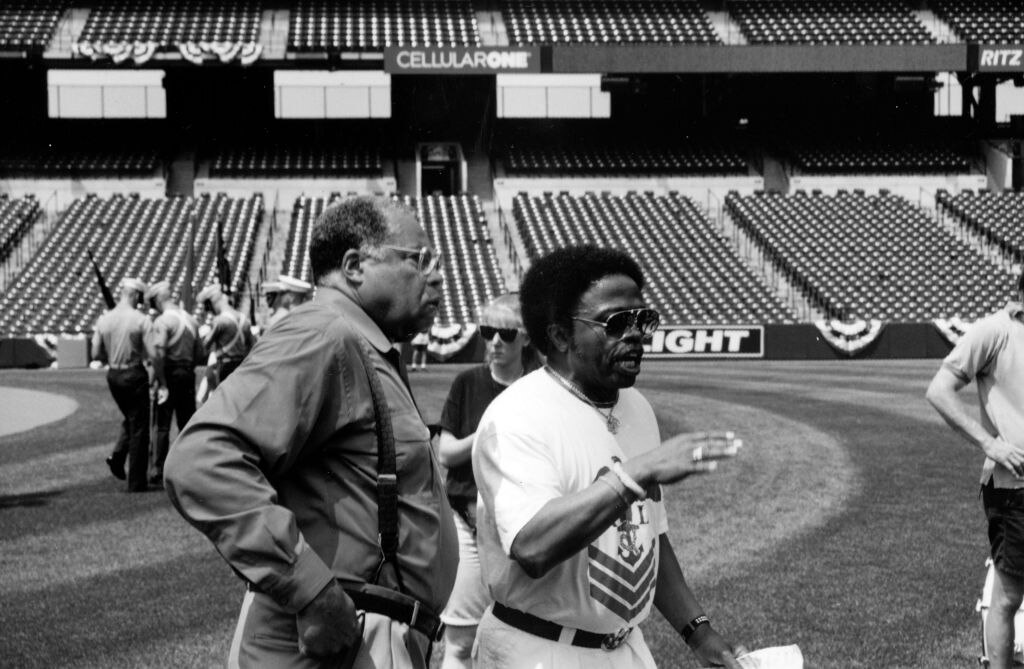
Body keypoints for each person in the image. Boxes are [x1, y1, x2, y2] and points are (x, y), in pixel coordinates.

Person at [164, 195, 457, 669]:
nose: (436, 274)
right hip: (332, 642)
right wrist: (312, 591)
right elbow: (200, 460)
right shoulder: (323, 334)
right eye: (419, 259)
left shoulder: (360, 343)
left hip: (371, 635)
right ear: (354, 266)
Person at [472, 245, 745, 669]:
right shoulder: (515, 416)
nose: (635, 334)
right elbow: (532, 546)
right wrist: (636, 473)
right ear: (560, 335)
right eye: (617, 322)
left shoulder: (636, 408)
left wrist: (699, 631)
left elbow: (650, 535)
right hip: (537, 650)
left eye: (643, 320)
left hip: (625, 649)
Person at [436, 293, 541, 669]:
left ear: (525, 338)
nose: (494, 341)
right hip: (466, 522)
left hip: (520, 529)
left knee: (521, 640)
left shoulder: (540, 388)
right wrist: (488, 430)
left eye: (505, 333)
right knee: (461, 643)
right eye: (487, 331)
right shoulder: (468, 382)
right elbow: (445, 454)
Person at [926, 271, 1024, 669]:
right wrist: (989, 443)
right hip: (1014, 487)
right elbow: (939, 390)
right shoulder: (995, 331)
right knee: (1009, 596)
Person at [91, 277, 153, 493]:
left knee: (131, 418)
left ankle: (118, 457)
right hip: (133, 372)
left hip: (113, 375)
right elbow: (153, 353)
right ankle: (136, 482)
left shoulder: (104, 319)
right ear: (135, 295)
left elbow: (95, 352)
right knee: (139, 427)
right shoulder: (140, 319)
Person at [145, 280, 205, 485]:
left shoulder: (163, 322)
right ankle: (189, 465)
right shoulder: (191, 319)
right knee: (186, 423)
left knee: (162, 424)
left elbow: (159, 353)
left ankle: (158, 467)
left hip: (169, 373)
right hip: (187, 373)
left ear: (157, 300)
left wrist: (160, 380)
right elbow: (200, 353)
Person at [196, 283, 254, 388]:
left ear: (212, 303)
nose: (211, 312)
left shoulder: (219, 321)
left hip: (225, 367)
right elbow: (251, 347)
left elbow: (204, 347)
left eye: (209, 308)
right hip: (242, 366)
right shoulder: (245, 320)